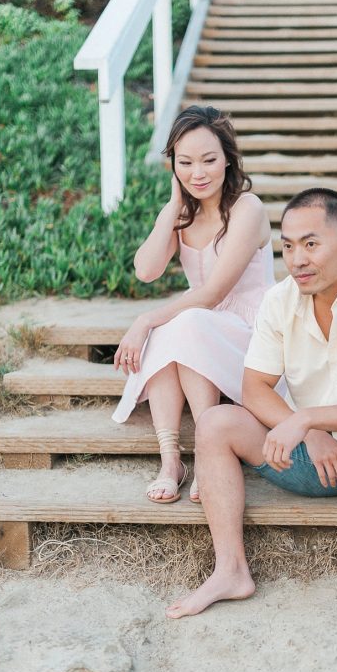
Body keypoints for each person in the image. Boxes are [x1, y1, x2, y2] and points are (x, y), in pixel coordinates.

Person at [165, 188, 337, 639]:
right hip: (309, 459)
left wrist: (308, 419)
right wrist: (308, 433)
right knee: (215, 423)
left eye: (311, 244)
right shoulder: (280, 300)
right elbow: (254, 388)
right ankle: (231, 570)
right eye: (287, 246)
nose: (296, 259)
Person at [112, 105, 275, 505]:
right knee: (179, 326)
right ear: (173, 165)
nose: (197, 173)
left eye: (208, 160)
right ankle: (172, 460)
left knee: (180, 324)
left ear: (228, 159)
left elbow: (215, 293)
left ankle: (207, 453)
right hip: (202, 319)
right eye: (185, 162)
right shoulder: (181, 213)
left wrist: (146, 319)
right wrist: (172, 206)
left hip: (251, 330)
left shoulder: (246, 209)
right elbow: (146, 270)